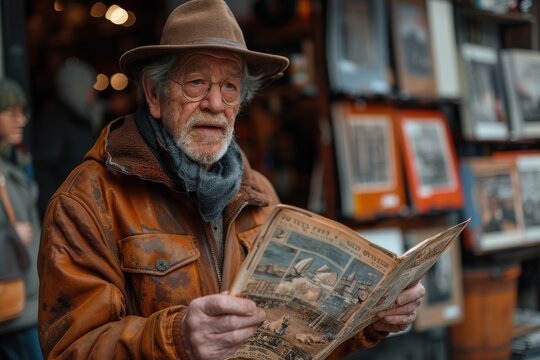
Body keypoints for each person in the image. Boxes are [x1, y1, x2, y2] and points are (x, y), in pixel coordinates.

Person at [37, 1, 425, 359]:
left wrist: (371, 320)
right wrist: (177, 339)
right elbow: (71, 349)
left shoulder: (257, 194)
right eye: (196, 83)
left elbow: (299, 339)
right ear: (154, 95)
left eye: (230, 87)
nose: (215, 104)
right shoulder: (89, 200)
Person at [0, 78, 43, 360]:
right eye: (10, 112)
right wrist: (10, 235)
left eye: (22, 112)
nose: (22, 119)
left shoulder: (16, 159)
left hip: (29, 296)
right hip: (15, 304)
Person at [32, 58, 106, 217]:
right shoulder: (53, 123)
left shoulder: (86, 118)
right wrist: (55, 213)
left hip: (86, 206)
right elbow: (44, 172)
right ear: (75, 89)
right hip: (68, 211)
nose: (94, 92)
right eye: (89, 87)